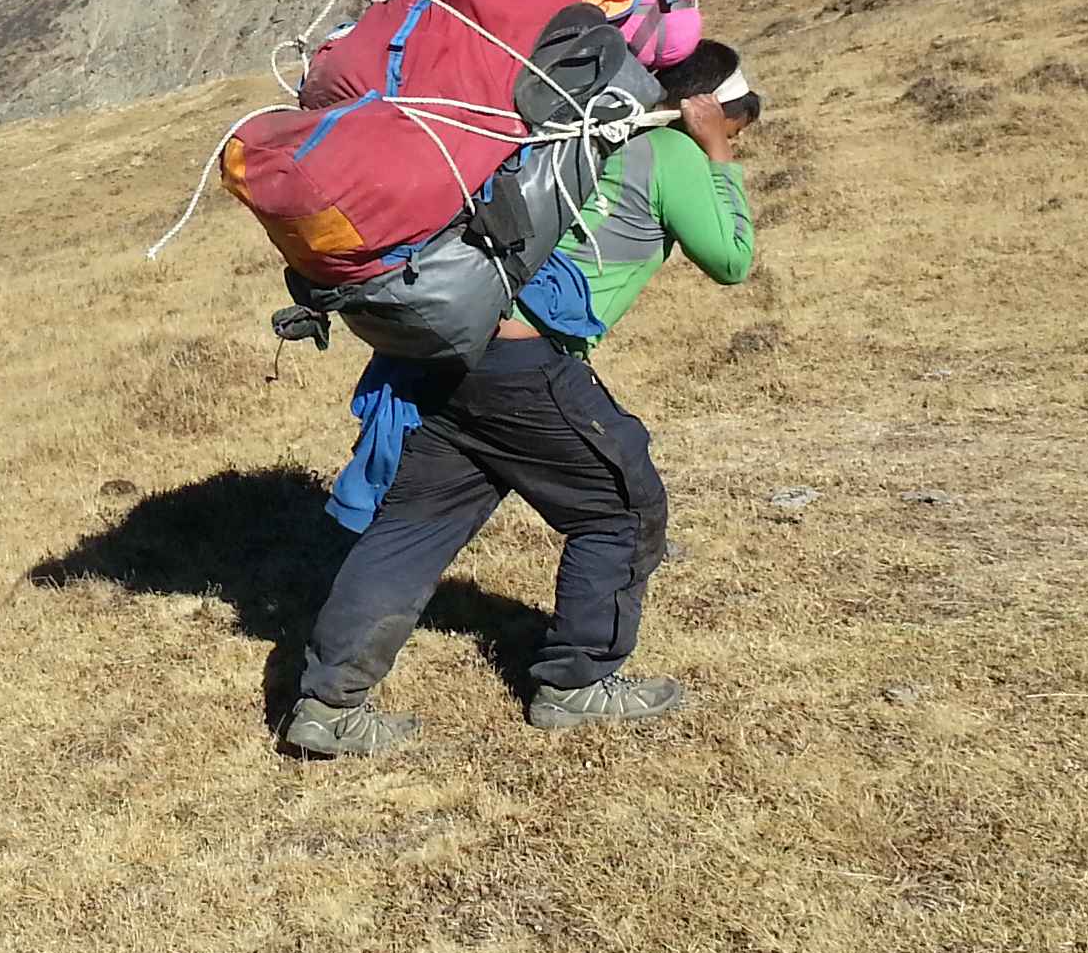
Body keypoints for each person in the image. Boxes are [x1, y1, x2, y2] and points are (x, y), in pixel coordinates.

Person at [281, 55, 758, 757]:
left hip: (445, 350)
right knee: (621, 511)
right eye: (737, 128)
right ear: (708, 109)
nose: (736, 141)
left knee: (415, 526)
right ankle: (577, 682)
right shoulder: (672, 150)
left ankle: (326, 706)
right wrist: (717, 156)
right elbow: (731, 259)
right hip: (522, 365)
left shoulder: (572, 133)